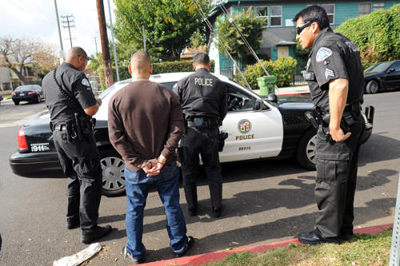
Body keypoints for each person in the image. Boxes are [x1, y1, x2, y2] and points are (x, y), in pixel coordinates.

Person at [108, 51, 194, 263]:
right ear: (151, 69)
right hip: (166, 165)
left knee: (135, 209)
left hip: (135, 169)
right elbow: (178, 129)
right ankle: (179, 244)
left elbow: (116, 138)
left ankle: (135, 252)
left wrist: (140, 163)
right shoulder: (167, 94)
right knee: (171, 204)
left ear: (130, 70)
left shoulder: (117, 98)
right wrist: (163, 158)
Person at [292, 6, 365, 244]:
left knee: (330, 180)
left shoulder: (324, 47)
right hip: (353, 119)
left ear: (314, 26)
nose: (297, 36)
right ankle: (343, 229)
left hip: (339, 125)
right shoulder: (344, 42)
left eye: (299, 30)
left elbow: (339, 84)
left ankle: (327, 233)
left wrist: (333, 125)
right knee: (344, 180)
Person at [42, 47, 112, 244]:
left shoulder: (48, 78)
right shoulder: (76, 76)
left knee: (73, 176)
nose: (87, 64)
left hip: (58, 134)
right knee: (90, 178)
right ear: (80, 58)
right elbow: (90, 110)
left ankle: (72, 219)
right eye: (87, 60)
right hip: (76, 135)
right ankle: (89, 230)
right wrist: (97, 103)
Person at [173, 53, 228, 218]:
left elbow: (174, 108)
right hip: (211, 133)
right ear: (209, 65)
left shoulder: (183, 82)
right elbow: (223, 111)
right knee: (213, 170)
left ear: (193, 65)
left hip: (189, 133)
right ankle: (216, 207)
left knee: (189, 171)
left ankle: (192, 208)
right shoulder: (218, 83)